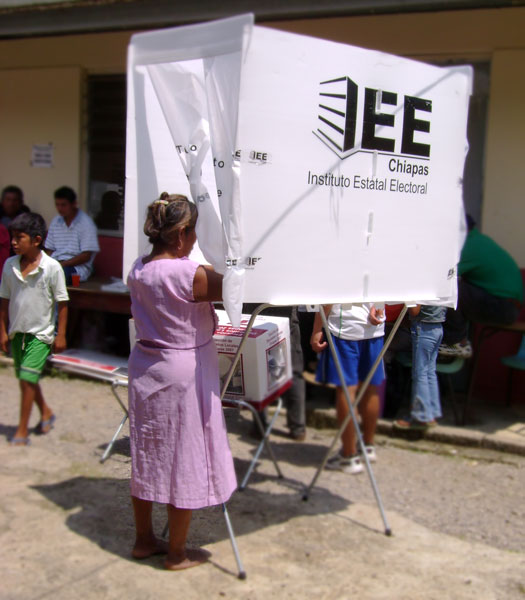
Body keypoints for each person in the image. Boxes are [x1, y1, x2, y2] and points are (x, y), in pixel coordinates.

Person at [126, 192, 237, 570]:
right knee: (184, 458)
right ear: (180, 235)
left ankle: (144, 539)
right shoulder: (187, 274)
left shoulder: (138, 269)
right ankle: (176, 552)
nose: (194, 241)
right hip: (182, 373)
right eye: (192, 234)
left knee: (146, 453)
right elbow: (235, 287)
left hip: (147, 367)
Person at [0, 212, 68, 446]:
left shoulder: (52, 268)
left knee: (27, 379)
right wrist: (2, 331)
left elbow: (63, 302)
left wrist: (61, 334)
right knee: (26, 378)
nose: (14, 242)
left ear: (37, 240)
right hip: (17, 332)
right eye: (12, 237)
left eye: (20, 237)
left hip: (41, 334)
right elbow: (4, 300)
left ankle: (21, 430)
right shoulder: (10, 265)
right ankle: (46, 412)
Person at [311, 303, 385, 474]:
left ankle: (349, 455)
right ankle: (367, 446)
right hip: (374, 328)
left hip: (345, 328)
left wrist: (316, 329)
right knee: (370, 388)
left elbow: (328, 296)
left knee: (346, 389)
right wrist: (378, 304)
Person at [440, 215, 523, 357]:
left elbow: (443, 275)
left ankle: (457, 342)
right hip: (506, 305)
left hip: (502, 307)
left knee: (451, 287)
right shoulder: (479, 240)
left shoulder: (467, 245)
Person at [393, 304, 446, 430]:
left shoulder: (423, 284)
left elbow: (415, 310)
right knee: (429, 372)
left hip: (423, 327)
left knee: (420, 374)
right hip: (437, 327)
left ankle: (421, 416)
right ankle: (432, 413)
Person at [44, 186, 99, 285]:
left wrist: (61, 265)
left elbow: (86, 256)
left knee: (58, 276)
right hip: (56, 264)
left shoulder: (86, 223)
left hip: (77, 268)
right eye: (57, 205)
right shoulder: (56, 221)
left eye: (63, 205)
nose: (60, 208)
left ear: (74, 204)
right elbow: (49, 249)